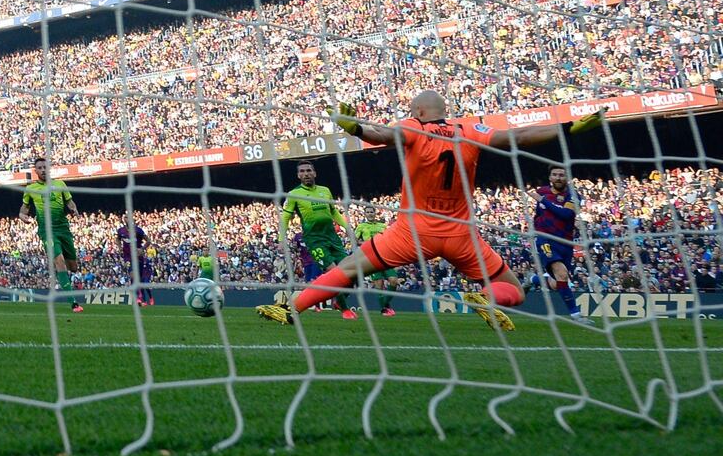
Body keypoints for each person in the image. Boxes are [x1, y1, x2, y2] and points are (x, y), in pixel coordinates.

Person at [257, 91, 602, 327]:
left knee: (349, 268)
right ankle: (485, 296)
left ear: (419, 112)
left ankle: (291, 309)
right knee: (512, 287)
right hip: (461, 235)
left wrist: (354, 127)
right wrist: (568, 128)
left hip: (413, 232)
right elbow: (522, 137)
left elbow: (380, 135)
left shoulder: (413, 127)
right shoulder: (470, 129)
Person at [276, 160, 356, 320]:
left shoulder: (325, 191)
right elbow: (285, 217)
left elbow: (334, 212)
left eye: (308, 170)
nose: (306, 174)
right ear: (298, 175)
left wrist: (348, 228)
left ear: (315, 173)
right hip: (315, 240)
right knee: (335, 273)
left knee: (352, 273)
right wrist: (281, 239)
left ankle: (340, 301)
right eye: (302, 171)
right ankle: (345, 309)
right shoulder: (293, 194)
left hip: (333, 238)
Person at [523, 165, 594, 325]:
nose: (558, 177)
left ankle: (534, 279)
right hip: (545, 240)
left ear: (566, 178)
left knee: (557, 284)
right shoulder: (542, 191)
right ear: (550, 178)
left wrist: (543, 201)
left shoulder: (572, 195)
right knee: (562, 274)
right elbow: (539, 214)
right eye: (555, 174)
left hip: (565, 242)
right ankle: (576, 316)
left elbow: (566, 214)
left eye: (561, 175)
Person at [19, 158, 84, 313]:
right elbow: (23, 209)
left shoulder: (60, 184)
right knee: (59, 260)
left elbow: (70, 202)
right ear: (36, 171)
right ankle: (73, 303)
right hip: (46, 231)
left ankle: (62, 275)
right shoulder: (31, 188)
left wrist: (74, 209)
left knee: (73, 267)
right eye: (39, 168)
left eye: (44, 167)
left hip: (63, 229)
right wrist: (22, 216)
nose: (42, 170)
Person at [354, 205, 398, 316]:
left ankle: (386, 304)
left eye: (371, 212)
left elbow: (390, 238)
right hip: (371, 258)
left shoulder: (382, 226)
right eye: (367, 212)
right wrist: (366, 243)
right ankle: (384, 310)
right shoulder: (361, 226)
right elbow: (355, 241)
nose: (370, 214)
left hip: (385, 257)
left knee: (393, 280)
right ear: (365, 214)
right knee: (379, 285)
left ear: (375, 213)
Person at [116, 216, 154, 306]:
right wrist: (119, 247)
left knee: (139, 278)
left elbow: (148, 241)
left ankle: (142, 299)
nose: (126, 219)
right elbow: (117, 239)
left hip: (138, 256)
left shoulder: (138, 230)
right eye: (125, 217)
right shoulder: (121, 231)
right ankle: (138, 297)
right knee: (132, 274)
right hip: (127, 256)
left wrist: (142, 249)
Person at [293, 231, 324, 312]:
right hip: (306, 263)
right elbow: (296, 248)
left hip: (316, 261)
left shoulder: (314, 234)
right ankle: (318, 303)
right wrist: (295, 247)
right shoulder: (298, 236)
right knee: (308, 284)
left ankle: (318, 306)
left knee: (313, 283)